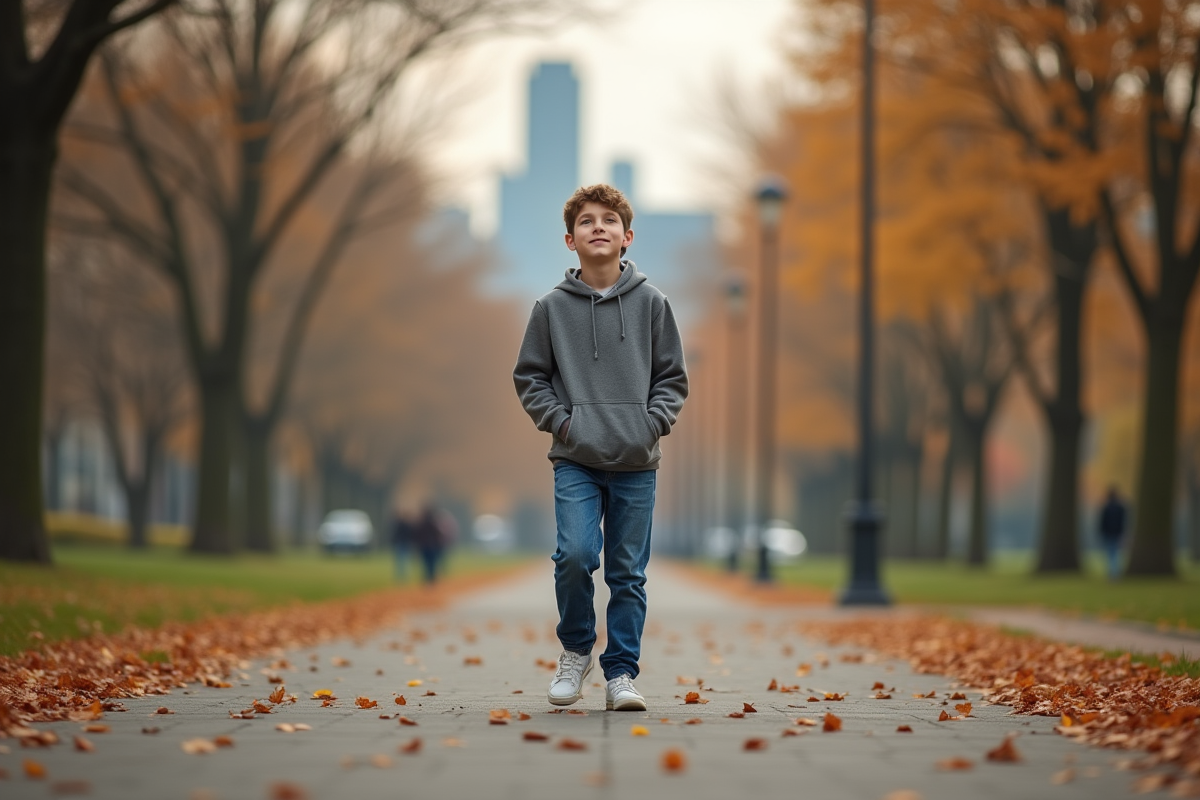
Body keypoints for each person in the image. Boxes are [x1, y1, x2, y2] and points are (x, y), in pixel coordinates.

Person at [513, 184, 689, 712]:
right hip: (576, 459)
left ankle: (621, 675)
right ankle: (575, 651)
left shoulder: (654, 304)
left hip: (637, 461)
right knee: (574, 556)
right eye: (586, 221)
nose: (598, 227)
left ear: (626, 237)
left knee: (627, 573)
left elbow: (672, 378)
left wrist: (650, 425)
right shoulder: (549, 309)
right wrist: (563, 426)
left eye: (609, 220)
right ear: (571, 240)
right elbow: (530, 378)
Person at [412, 504, 455, 585]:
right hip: (431, 546)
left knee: (426, 563)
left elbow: (416, 535)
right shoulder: (433, 523)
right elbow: (438, 534)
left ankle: (428, 578)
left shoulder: (420, 523)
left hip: (424, 546)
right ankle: (431, 578)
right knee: (432, 563)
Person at [1098, 486, 1128, 580]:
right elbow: (1123, 522)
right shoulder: (1121, 508)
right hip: (1117, 533)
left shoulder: (1106, 507)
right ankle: (1115, 572)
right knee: (1116, 553)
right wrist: (1123, 533)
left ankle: (1112, 572)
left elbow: (1102, 522)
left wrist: (1102, 532)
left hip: (1108, 533)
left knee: (1110, 553)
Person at [390, 511, 414, 583]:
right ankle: (401, 575)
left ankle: (402, 575)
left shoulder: (402, 524)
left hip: (404, 543)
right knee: (401, 560)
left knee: (402, 560)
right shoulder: (402, 524)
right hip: (402, 543)